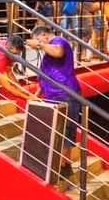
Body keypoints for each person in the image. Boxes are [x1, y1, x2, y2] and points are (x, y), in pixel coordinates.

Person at [27, 25, 83, 172]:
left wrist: (39, 44)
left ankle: (62, 165)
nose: (36, 45)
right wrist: (36, 95)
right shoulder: (47, 53)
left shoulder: (58, 41)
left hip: (65, 93)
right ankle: (64, 165)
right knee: (60, 130)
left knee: (65, 131)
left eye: (37, 40)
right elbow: (45, 78)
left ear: (44, 36)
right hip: (54, 94)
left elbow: (58, 52)